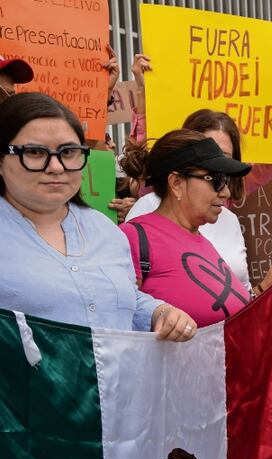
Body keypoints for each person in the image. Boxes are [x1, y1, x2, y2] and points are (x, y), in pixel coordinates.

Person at [0, 92, 195, 340]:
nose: (56, 167)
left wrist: (159, 313)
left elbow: (124, 297)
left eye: (68, 152)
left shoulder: (106, 230)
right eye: (35, 153)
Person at [119, 130, 272, 326]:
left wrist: (263, 288)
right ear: (176, 183)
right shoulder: (133, 236)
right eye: (217, 180)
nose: (226, 192)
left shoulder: (202, 241)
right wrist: (161, 317)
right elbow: (119, 316)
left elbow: (227, 313)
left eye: (226, 181)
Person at [122, 109, 258, 291]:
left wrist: (263, 288)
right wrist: (156, 308)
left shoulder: (227, 221)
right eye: (210, 163)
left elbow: (241, 294)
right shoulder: (143, 218)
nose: (224, 191)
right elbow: (126, 298)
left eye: (224, 163)